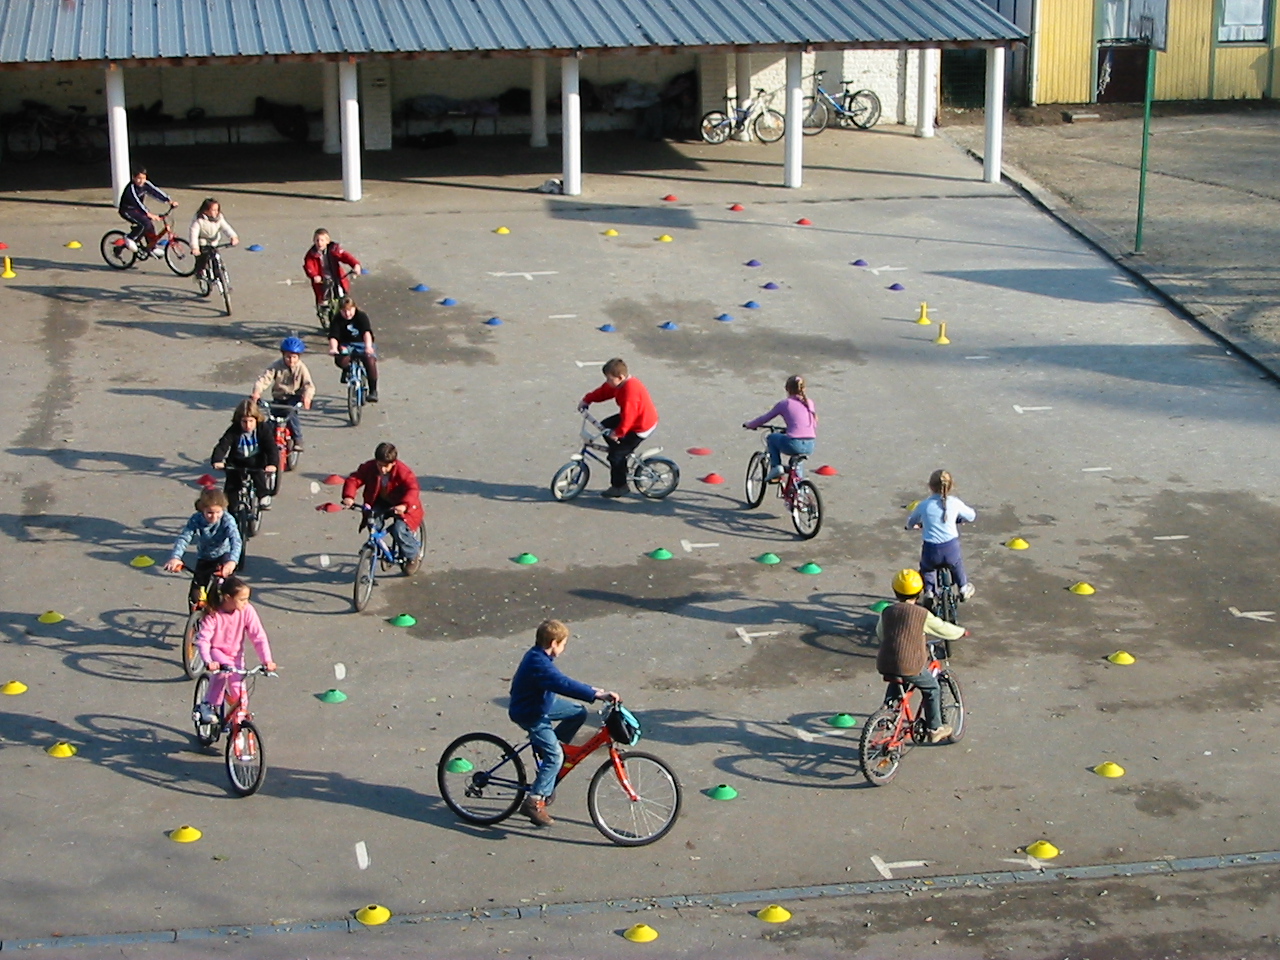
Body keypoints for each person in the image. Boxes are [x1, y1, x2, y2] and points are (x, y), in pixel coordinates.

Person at [508, 619, 619, 827]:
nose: (564, 648)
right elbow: (562, 683)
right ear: (553, 643)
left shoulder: (540, 656)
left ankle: (547, 751)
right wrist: (596, 695)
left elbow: (561, 680)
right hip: (530, 713)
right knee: (556, 756)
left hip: (541, 703)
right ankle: (533, 802)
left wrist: (592, 691)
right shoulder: (538, 663)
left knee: (578, 712)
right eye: (563, 644)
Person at [875, 569, 966, 744]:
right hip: (909, 665)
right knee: (931, 688)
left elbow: (880, 633)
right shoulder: (921, 614)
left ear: (895, 591)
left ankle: (888, 710)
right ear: (919, 592)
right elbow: (941, 628)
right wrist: (960, 632)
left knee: (898, 677)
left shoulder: (887, 611)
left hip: (885, 662)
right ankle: (935, 728)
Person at [191, 576, 277, 726]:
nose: (246, 603)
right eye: (242, 599)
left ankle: (238, 725)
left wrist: (267, 660)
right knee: (223, 672)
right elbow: (203, 640)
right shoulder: (213, 614)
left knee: (239, 692)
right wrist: (208, 661)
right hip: (217, 652)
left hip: (236, 656)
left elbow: (258, 636)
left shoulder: (247, 610)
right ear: (227, 598)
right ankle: (208, 705)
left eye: (247, 599)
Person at [578, 358, 658, 499]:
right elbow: (605, 391)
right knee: (605, 427)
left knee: (615, 456)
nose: (607, 382)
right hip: (633, 419)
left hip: (641, 426)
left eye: (609, 379)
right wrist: (588, 399)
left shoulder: (630, 392)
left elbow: (629, 416)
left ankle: (620, 486)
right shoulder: (619, 384)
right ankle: (621, 455)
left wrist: (619, 433)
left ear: (620, 377)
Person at [340, 442, 423, 574]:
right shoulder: (370, 467)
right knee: (373, 522)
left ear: (393, 463)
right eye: (380, 465)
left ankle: (412, 556)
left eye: (386, 466)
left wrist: (404, 505)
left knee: (399, 530)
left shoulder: (403, 472)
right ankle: (379, 548)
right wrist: (349, 496)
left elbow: (412, 489)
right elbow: (355, 479)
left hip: (402, 505)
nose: (382, 469)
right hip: (381, 501)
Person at [905, 469, 977, 601]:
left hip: (931, 549)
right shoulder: (954, 502)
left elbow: (911, 522)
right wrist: (959, 519)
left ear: (930, 486)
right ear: (951, 486)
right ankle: (963, 588)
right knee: (957, 563)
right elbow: (971, 516)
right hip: (950, 548)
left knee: (927, 569)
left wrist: (913, 526)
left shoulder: (924, 505)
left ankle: (929, 592)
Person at [162, 487, 242, 606]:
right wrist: (175, 557)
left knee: (230, 590)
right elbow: (184, 538)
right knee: (196, 594)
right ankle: (196, 615)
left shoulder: (227, 520)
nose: (214, 517)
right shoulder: (196, 519)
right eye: (210, 513)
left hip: (223, 556)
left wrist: (232, 562)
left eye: (218, 512)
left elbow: (236, 540)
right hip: (204, 556)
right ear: (202, 509)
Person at [742, 374, 818, 481]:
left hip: (793, 443)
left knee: (771, 438)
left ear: (787, 388)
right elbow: (812, 424)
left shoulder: (785, 403)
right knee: (796, 461)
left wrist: (750, 424)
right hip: (810, 444)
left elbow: (765, 418)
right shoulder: (809, 403)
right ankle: (798, 484)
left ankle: (776, 467)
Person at [250, 337, 315, 453]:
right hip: (279, 398)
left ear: (299, 357)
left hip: (294, 397)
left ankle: (298, 439)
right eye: (288, 357)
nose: (291, 360)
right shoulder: (276, 366)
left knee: (291, 415)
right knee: (271, 422)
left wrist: (307, 397)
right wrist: (257, 392)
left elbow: (308, 385)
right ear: (283, 355)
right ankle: (263, 444)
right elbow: (264, 379)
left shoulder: (301, 368)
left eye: (294, 357)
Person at [212, 400, 279, 509]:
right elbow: (223, 444)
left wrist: (272, 464)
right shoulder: (234, 430)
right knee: (232, 486)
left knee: (258, 476)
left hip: (256, 460)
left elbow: (271, 447)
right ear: (239, 420)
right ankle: (232, 511)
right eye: (244, 421)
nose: (248, 425)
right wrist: (217, 460)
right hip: (237, 460)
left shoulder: (263, 429)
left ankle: (263, 496)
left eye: (251, 421)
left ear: (256, 419)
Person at [327, 296, 379, 403]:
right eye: (344, 311)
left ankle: (373, 390)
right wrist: (333, 348)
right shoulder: (337, 319)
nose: (347, 314)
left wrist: (368, 347)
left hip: (362, 343)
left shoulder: (361, 316)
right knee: (340, 360)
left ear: (355, 308)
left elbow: (366, 333)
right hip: (346, 344)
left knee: (370, 362)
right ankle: (347, 369)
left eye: (350, 310)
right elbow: (334, 336)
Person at [117, 168, 176, 253]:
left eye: (144, 178)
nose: (141, 181)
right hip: (127, 211)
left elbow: (155, 192)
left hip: (138, 210)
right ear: (133, 178)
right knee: (143, 224)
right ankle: (130, 238)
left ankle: (151, 247)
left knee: (149, 225)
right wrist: (148, 214)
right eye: (139, 178)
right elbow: (137, 202)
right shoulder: (131, 189)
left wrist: (169, 200)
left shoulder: (146, 184)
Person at [303, 228, 362, 308]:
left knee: (343, 297)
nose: (319, 243)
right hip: (322, 280)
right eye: (317, 240)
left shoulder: (334, 249)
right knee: (324, 300)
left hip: (336, 277)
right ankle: (324, 309)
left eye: (322, 240)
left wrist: (355, 264)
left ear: (327, 241)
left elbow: (345, 256)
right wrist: (314, 275)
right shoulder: (311, 254)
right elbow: (309, 266)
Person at [188, 197, 238, 282]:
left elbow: (226, 228)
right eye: (213, 210)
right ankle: (199, 273)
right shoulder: (199, 220)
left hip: (214, 242)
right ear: (205, 211)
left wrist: (233, 237)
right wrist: (195, 248)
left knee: (216, 259)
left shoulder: (219, 218)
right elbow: (193, 234)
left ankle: (219, 276)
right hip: (202, 242)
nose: (216, 212)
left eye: (217, 210)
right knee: (202, 260)